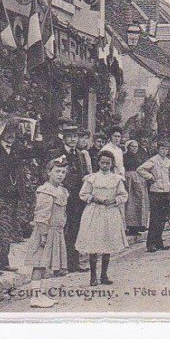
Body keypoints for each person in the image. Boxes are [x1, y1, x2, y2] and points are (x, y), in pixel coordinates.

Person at [77, 151, 128, 286]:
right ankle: (93, 276)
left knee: (107, 243)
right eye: (102, 163)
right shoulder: (92, 178)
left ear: (111, 164)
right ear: (98, 163)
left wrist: (114, 200)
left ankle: (104, 275)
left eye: (108, 163)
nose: (105, 165)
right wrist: (94, 198)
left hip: (110, 213)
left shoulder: (116, 179)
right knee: (94, 244)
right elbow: (83, 194)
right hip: (94, 212)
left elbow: (123, 195)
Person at [25, 155, 70, 308]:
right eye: (57, 171)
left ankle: (40, 294)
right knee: (39, 264)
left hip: (56, 231)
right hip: (45, 232)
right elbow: (42, 214)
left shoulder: (62, 191)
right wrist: (44, 234)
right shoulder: (45, 191)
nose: (60, 175)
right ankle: (35, 298)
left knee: (44, 265)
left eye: (63, 172)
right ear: (49, 172)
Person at [0, 121, 27, 272]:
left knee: (7, 227)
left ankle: (3, 261)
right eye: (7, 132)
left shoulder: (15, 150)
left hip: (12, 195)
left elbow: (35, 153)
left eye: (13, 132)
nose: (11, 135)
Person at [52, 120, 89, 272]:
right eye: (70, 137)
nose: (73, 139)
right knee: (61, 229)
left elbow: (84, 174)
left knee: (75, 229)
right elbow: (49, 173)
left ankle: (73, 263)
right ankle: (59, 265)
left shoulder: (80, 155)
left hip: (77, 199)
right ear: (64, 138)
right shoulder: (58, 153)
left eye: (75, 136)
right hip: (62, 196)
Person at [137, 140, 170, 252]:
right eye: (162, 149)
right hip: (156, 191)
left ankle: (159, 243)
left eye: (166, 149)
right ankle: (150, 244)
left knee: (163, 218)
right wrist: (150, 177)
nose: (164, 151)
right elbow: (140, 169)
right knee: (155, 218)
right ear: (158, 149)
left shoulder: (168, 161)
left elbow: (169, 174)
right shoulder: (153, 160)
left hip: (165, 191)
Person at [123, 140, 150, 236]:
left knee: (139, 202)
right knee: (130, 202)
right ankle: (130, 226)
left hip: (139, 180)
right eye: (132, 147)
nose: (134, 149)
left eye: (136, 147)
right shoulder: (124, 156)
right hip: (129, 180)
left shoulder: (139, 157)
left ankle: (138, 226)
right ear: (128, 147)